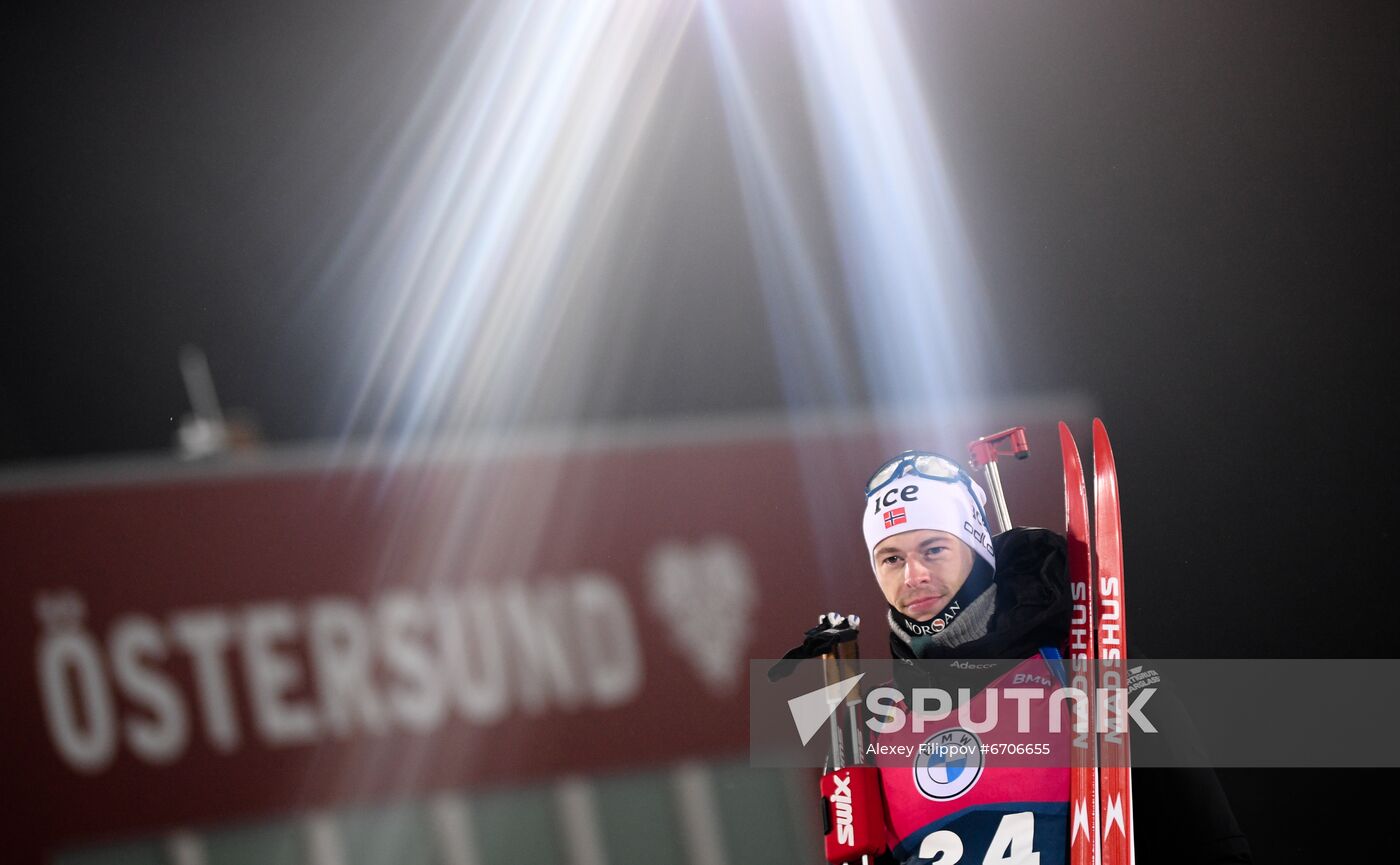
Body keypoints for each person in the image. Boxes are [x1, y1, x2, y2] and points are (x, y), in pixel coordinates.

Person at [858, 450, 1252, 865]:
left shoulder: (1091, 665)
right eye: (892, 558)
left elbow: (1211, 845)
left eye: (934, 549)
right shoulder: (880, 721)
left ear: (977, 548)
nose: (913, 575)